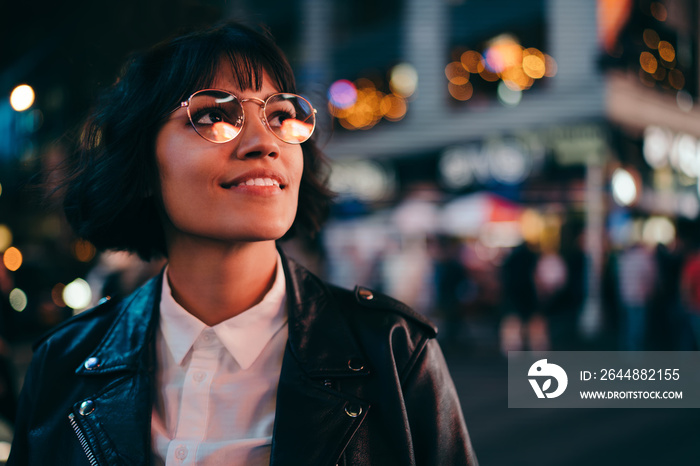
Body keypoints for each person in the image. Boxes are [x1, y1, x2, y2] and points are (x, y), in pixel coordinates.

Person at [8, 22, 477, 465]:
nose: (264, 142)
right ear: (144, 162)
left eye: (280, 115)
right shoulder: (63, 365)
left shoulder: (395, 352)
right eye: (213, 115)